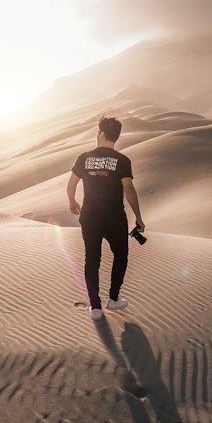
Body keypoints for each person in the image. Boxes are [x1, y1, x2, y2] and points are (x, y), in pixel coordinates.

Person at [66, 114, 145, 319]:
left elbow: (72, 183)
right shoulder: (122, 160)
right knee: (121, 256)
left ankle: (95, 307)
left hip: (90, 217)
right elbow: (128, 188)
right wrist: (138, 217)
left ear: (101, 134)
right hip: (114, 219)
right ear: (115, 137)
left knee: (92, 259)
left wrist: (72, 201)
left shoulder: (84, 157)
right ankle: (113, 298)